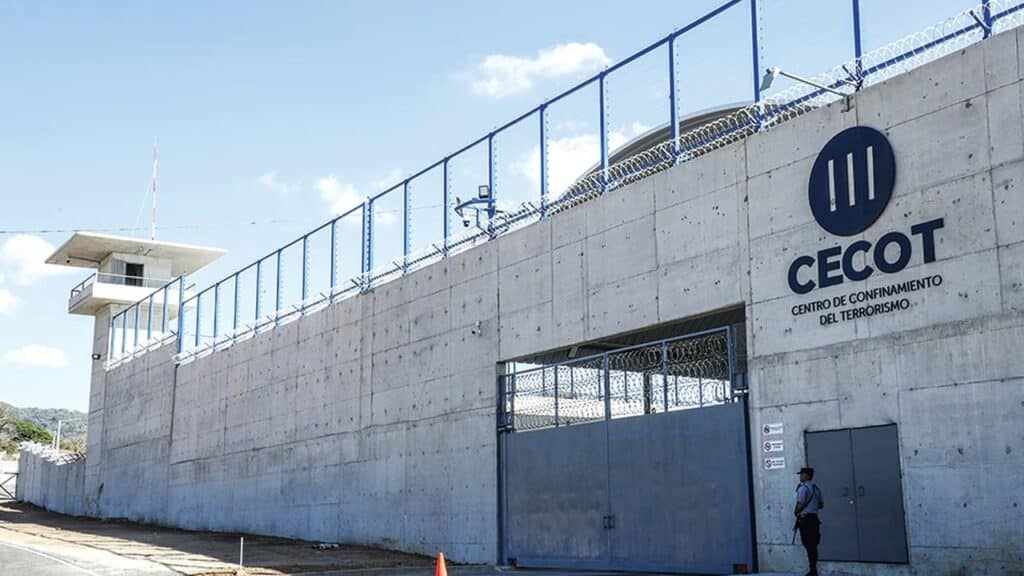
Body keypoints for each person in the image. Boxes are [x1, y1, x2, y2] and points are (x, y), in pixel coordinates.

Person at [794, 466, 823, 576]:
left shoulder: (803, 488)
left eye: (802, 474)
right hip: (814, 519)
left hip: (805, 519)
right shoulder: (817, 489)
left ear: (807, 476)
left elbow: (800, 504)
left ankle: (813, 570)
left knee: (808, 544)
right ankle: (813, 568)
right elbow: (821, 505)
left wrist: (796, 511)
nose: (800, 476)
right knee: (813, 544)